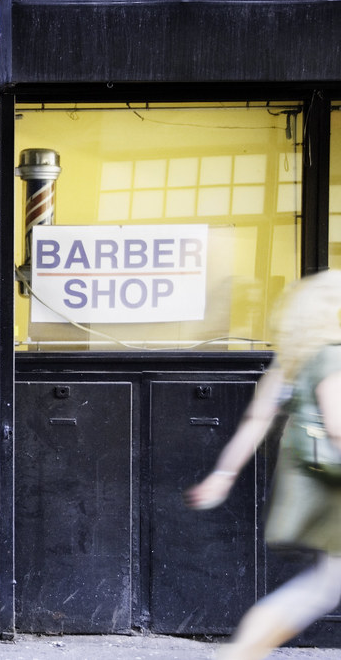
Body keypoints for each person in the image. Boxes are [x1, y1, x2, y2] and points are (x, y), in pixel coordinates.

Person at [186, 270, 341, 660]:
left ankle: (242, 651)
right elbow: (339, 427)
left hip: (308, 486)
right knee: (323, 586)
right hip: (334, 490)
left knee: (324, 585)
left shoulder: (288, 362)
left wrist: (222, 476)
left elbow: (254, 423)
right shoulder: (333, 357)